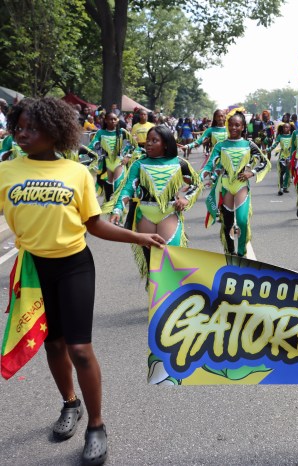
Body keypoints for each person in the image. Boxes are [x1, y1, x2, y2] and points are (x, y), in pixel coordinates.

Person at [1, 97, 165, 466]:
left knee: (78, 348)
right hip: (31, 270)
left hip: (73, 266)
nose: (22, 133)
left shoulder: (77, 173)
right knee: (53, 345)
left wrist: (138, 237)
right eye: (19, 127)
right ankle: (69, 404)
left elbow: (94, 224)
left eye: (32, 127)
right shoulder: (6, 171)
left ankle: (96, 424)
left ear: (55, 131)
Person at [108, 126, 201, 278]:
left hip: (169, 213)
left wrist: (186, 199)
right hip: (145, 214)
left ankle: (171, 297)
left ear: (165, 144)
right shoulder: (139, 164)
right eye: (148, 140)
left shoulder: (180, 163)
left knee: (170, 258)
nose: (148, 144)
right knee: (153, 264)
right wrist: (118, 209)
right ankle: (155, 297)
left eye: (154, 140)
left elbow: (197, 183)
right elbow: (128, 189)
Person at [200, 112, 269, 257]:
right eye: (230, 125)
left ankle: (241, 252)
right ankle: (230, 251)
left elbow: (263, 162)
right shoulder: (221, 145)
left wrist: (251, 173)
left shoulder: (249, 144)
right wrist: (202, 175)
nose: (233, 128)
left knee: (243, 221)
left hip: (241, 185)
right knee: (228, 223)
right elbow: (210, 164)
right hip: (225, 185)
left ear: (243, 127)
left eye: (237, 125)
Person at [86, 112, 136, 202]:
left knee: (118, 186)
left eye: (115, 119)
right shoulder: (100, 132)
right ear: (106, 120)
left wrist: (128, 156)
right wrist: (91, 150)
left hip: (119, 162)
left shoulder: (121, 132)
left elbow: (134, 145)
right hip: (106, 163)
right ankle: (109, 205)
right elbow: (91, 145)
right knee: (107, 184)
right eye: (111, 119)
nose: (113, 121)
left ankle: (118, 207)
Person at [268, 122, 294, 195]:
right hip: (282, 157)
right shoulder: (280, 136)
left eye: (287, 127)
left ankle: (285, 187)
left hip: (289, 156)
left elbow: (296, 146)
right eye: (284, 127)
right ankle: (281, 188)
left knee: (288, 172)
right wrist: (268, 150)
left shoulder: (292, 136)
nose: (285, 128)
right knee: (282, 172)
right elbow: (275, 145)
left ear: (290, 128)